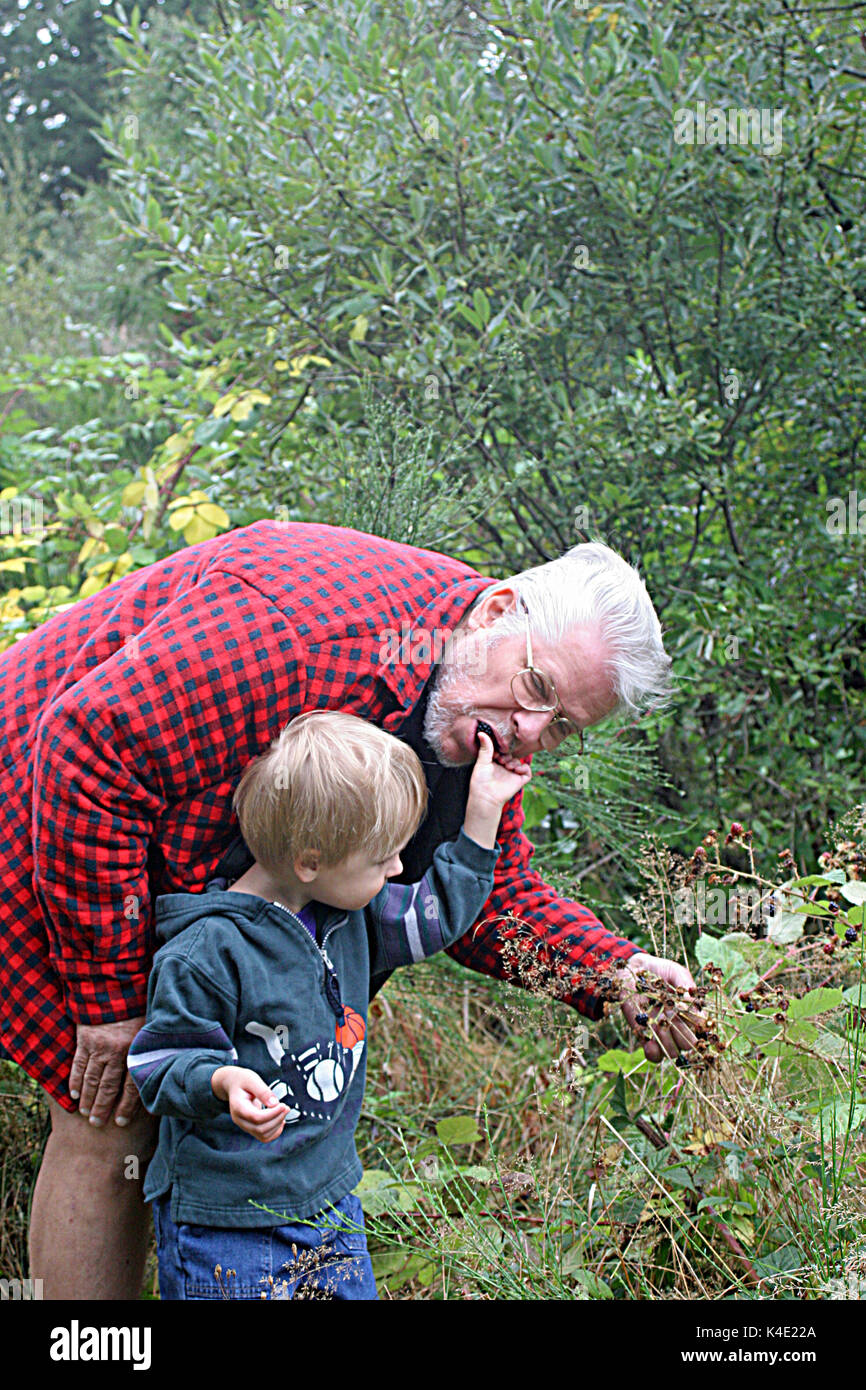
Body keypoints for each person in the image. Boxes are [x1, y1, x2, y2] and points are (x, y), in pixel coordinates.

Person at [0, 520, 699, 1298]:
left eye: (562, 725)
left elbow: (487, 895)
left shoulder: (474, 708)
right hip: (38, 799)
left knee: (183, 1100)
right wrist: (107, 999)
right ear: (498, 610)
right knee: (113, 1112)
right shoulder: (296, 637)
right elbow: (88, 745)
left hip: (159, 833)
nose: (530, 732)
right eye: (538, 691)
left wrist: (621, 974)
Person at [128, 709, 528, 1300]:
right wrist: (221, 1080)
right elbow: (159, 1064)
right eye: (383, 859)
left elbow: (436, 911)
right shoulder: (206, 952)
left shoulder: (352, 917)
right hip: (227, 1223)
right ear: (311, 861)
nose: (398, 869)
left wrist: (483, 813)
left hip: (331, 1202)